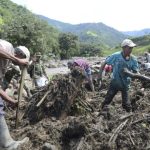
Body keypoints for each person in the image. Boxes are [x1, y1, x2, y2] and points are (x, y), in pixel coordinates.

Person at [0, 39, 29, 149]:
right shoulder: (8, 47)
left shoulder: (6, 62)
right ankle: (8, 145)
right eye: (23, 61)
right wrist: (16, 59)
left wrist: (10, 100)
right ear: (20, 55)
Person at [98, 39, 139, 112]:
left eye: (132, 48)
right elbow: (104, 62)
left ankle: (129, 115)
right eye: (129, 48)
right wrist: (99, 76)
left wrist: (138, 75)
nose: (131, 50)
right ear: (123, 48)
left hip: (125, 84)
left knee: (126, 104)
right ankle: (101, 112)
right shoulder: (116, 56)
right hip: (115, 83)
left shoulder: (133, 59)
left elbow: (136, 72)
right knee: (107, 99)